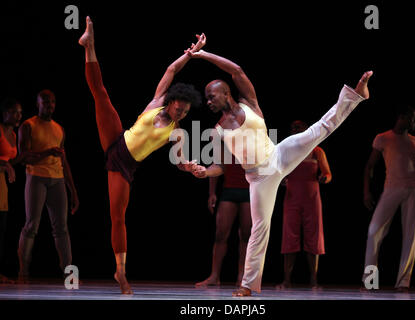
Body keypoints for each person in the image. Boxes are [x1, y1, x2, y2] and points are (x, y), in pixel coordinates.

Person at [186, 38, 373, 296]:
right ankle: (247, 286)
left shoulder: (248, 103)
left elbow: (236, 70)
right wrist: (204, 172)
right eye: (206, 98)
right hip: (259, 177)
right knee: (259, 228)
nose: (207, 101)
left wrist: (202, 54)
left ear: (225, 92)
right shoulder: (217, 131)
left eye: (211, 95)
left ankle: (355, 95)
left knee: (318, 130)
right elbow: (220, 165)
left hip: (277, 155)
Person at [78, 17, 203, 294]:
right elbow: (171, 70)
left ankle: (120, 272)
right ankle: (89, 45)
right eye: (178, 109)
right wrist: (190, 55)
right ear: (170, 102)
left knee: (118, 216)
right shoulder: (157, 102)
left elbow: (180, 162)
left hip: (124, 165)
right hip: (117, 139)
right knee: (101, 95)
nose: (180, 114)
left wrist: (190, 166)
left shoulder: (177, 132)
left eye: (184, 112)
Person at [362, 105, 415, 292]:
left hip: (412, 191)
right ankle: (370, 282)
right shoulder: (383, 138)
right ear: (402, 117)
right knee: (373, 232)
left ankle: (403, 283)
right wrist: (366, 192)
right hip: (391, 188)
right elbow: (369, 166)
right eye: (413, 118)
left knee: (410, 236)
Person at [16, 89, 79, 284]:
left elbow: (64, 161)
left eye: (52, 102)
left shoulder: (59, 129)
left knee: (61, 227)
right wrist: (46, 153)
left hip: (57, 179)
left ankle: (69, 274)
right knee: (31, 225)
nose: (49, 105)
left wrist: (73, 191)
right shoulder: (28, 125)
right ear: (38, 104)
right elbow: (22, 157)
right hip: (36, 177)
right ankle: (23, 272)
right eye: (45, 102)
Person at [276, 120, 332, 290]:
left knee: (314, 238)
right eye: (293, 127)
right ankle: (286, 280)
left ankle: (314, 281)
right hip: (292, 198)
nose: (295, 129)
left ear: (307, 130)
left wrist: (325, 178)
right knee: (289, 237)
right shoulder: (286, 151)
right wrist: (281, 180)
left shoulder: (317, 151)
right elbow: (277, 173)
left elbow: (328, 173)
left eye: (299, 127)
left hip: (312, 199)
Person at [195, 158, 251, 288]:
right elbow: (217, 164)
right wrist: (212, 193)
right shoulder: (225, 142)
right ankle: (214, 276)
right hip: (229, 189)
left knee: (246, 235)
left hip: (249, 190)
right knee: (220, 234)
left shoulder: (253, 141)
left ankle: (242, 276)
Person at [0, 98, 22, 284]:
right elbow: (5, 161)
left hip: (3, 186)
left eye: (20, 112)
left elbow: (11, 159)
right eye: (15, 112)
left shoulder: (14, 135)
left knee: (2, 229)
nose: (18, 116)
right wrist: (6, 166)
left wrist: (27, 157)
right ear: (5, 113)